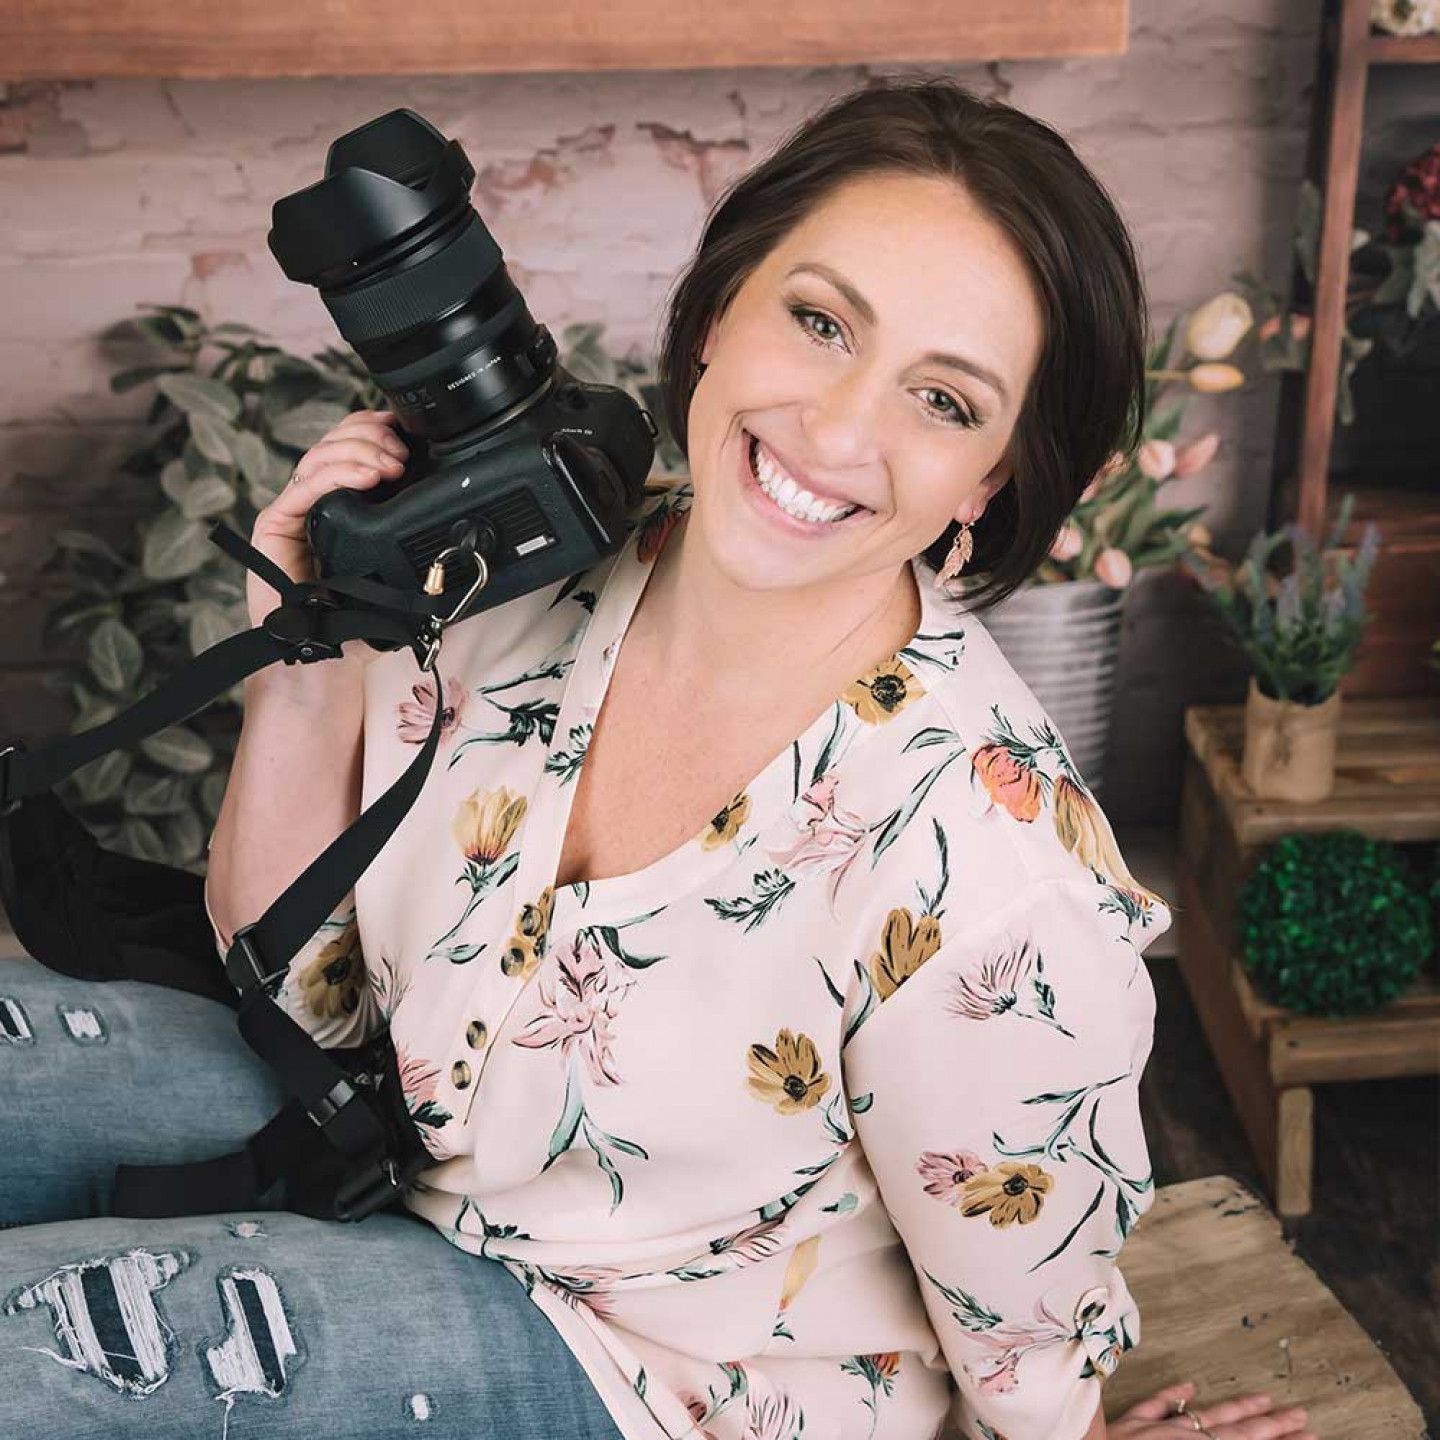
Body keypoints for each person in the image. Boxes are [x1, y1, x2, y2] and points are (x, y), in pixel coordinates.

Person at [0, 77, 1315, 1440]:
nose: (838, 428)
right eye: (819, 322)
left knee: (34, 1357)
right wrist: (305, 646)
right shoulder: (535, 552)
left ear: (988, 482)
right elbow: (299, 987)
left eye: (942, 399)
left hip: (655, 1375)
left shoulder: (992, 876)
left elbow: (1026, 1347)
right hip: (397, 1148)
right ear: (721, 308)